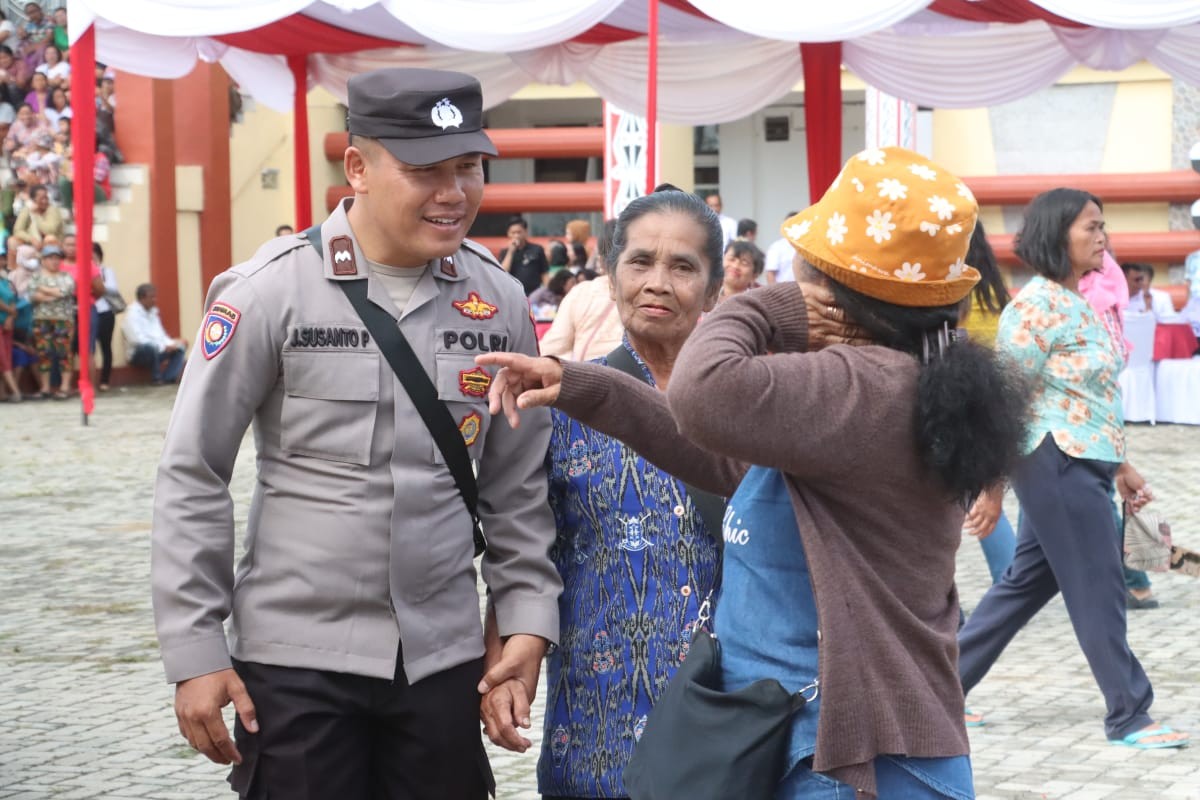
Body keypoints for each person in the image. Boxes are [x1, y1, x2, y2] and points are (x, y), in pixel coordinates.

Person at [480, 147, 1028, 798]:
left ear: (842, 290)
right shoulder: (885, 386)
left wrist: (770, 307)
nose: (796, 271)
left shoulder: (857, 383)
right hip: (842, 740)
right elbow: (720, 458)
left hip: (846, 757)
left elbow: (703, 393)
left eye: (811, 267)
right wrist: (578, 383)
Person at [150, 68, 560, 799]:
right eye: (426, 171)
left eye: (470, 167)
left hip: (440, 661)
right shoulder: (269, 291)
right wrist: (195, 649)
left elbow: (516, 485)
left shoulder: (498, 301)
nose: (455, 192)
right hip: (295, 664)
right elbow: (194, 472)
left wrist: (525, 615)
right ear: (359, 168)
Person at [479, 185, 726, 798]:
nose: (657, 283)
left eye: (683, 267)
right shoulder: (561, 406)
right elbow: (523, 544)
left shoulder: (748, 406)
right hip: (596, 711)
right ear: (610, 279)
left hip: (728, 709)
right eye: (640, 262)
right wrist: (506, 660)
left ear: (716, 290)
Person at [957, 188, 1189, 750]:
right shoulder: (1033, 308)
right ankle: (1129, 715)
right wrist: (991, 490)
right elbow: (1008, 401)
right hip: (1054, 461)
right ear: (1057, 233)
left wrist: (1121, 465)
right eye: (1091, 227)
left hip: (1081, 461)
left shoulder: (1078, 302)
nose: (1102, 236)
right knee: (1098, 585)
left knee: (1021, 586)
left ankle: (935, 692)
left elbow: (1085, 396)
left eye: (1103, 226)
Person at [956, 221, 1018, 588]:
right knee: (982, 494)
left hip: (961, 395)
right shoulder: (997, 294)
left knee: (968, 495)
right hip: (995, 397)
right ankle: (1010, 577)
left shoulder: (955, 290)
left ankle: (1009, 579)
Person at [540, 219, 623, 362]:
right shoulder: (655, 294)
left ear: (601, 260)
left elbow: (552, 350)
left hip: (586, 377)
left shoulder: (582, 293)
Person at [26, 242, 73, 398]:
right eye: (50, 258)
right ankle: (45, 387)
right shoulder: (36, 276)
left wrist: (43, 290)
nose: (54, 261)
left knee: (63, 353)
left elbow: (64, 292)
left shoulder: (66, 277)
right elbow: (33, 296)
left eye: (57, 258)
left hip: (62, 320)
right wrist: (52, 294)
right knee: (44, 353)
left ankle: (65, 387)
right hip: (41, 319)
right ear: (43, 260)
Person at [122, 283, 187, 385]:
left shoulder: (153, 312)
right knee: (150, 348)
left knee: (180, 347)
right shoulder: (132, 314)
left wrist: (171, 344)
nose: (154, 300)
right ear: (142, 298)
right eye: (151, 297)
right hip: (138, 354)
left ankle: (168, 378)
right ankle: (156, 379)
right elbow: (137, 340)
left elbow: (160, 335)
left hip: (157, 349)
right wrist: (163, 346)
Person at [91, 242, 119, 390]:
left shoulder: (106, 271)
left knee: (106, 346)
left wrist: (97, 282)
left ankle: (104, 380)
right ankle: (91, 380)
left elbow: (113, 289)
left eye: (94, 254)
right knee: (90, 348)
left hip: (106, 312)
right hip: (91, 311)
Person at [498, 215, 548, 296]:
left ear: (525, 232)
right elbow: (503, 273)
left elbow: (544, 273)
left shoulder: (537, 249)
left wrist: (546, 291)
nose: (516, 235)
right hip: (513, 295)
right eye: (513, 233)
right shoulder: (505, 252)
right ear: (508, 234)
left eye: (519, 232)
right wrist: (510, 252)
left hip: (534, 294)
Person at [0, 261, 21, 400]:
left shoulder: (6, 281)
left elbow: (13, 299)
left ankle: (2, 393)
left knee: (6, 356)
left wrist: (10, 317)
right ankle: (16, 391)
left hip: (6, 323)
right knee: (2, 358)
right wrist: (11, 312)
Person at [763, 210, 799, 284]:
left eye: (796, 223)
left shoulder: (808, 246)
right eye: (789, 224)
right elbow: (770, 274)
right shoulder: (777, 247)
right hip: (783, 291)